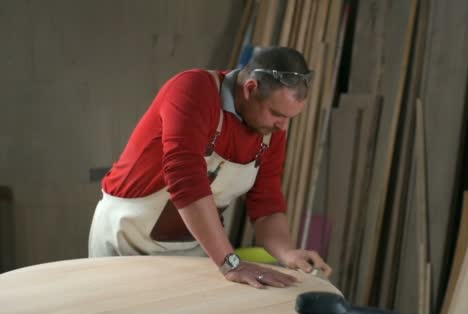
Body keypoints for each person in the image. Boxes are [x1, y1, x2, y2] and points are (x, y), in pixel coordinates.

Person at [88, 46, 332, 289]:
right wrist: (231, 263)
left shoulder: (269, 130)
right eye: (277, 114)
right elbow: (185, 180)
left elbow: (267, 205)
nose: (283, 127)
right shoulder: (194, 90)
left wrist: (288, 254)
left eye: (290, 118)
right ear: (250, 89)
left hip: (193, 249)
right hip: (127, 239)